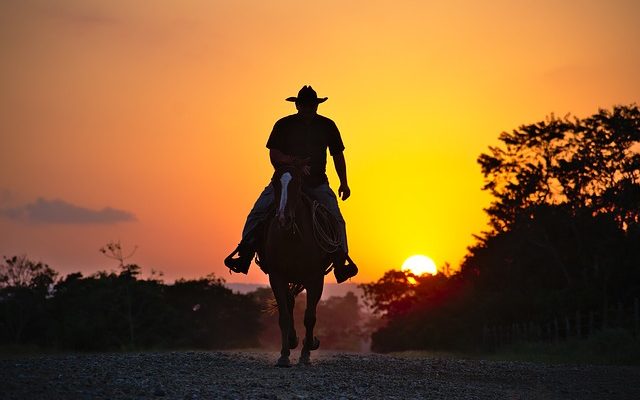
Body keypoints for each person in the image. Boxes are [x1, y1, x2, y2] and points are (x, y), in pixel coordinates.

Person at [224, 85, 358, 283]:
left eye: (311, 105)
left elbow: (337, 155)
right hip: (284, 182)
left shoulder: (328, 125)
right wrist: (293, 162)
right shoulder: (283, 125)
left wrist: (344, 183)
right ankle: (244, 255)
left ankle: (340, 262)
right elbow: (274, 154)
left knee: (336, 218)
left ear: (316, 106)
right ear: (297, 105)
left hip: (317, 183)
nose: (307, 108)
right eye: (304, 105)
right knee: (258, 213)